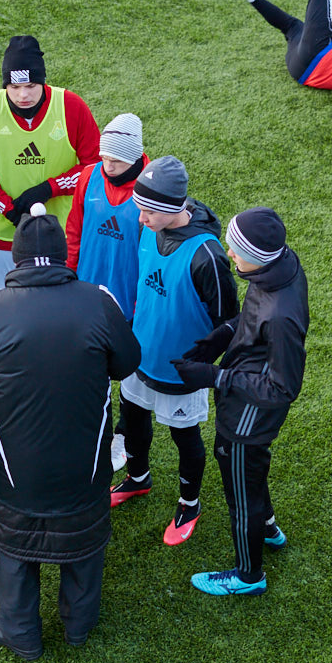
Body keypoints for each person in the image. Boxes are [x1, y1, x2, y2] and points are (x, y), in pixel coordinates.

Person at [0, 206, 141, 660]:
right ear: (63, 256)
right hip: (85, 464)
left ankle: (21, 633)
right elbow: (127, 362)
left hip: (15, 468)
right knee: (83, 546)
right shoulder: (98, 300)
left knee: (16, 552)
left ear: (18, 260)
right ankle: (78, 627)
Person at [171, 207, 309, 596]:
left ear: (258, 255)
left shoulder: (281, 315)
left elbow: (283, 388)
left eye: (236, 250)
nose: (230, 255)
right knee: (244, 469)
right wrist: (224, 334)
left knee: (239, 483)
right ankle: (267, 526)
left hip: (250, 415)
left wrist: (216, 377)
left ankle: (249, 576)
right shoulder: (278, 266)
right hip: (243, 394)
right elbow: (252, 319)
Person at [109, 156, 238, 546]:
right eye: (139, 207)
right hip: (139, 356)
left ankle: (189, 503)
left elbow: (230, 322)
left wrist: (200, 364)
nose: (141, 218)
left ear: (170, 210)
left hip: (182, 371)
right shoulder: (149, 228)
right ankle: (138, 478)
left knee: (185, 439)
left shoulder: (208, 256)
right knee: (132, 420)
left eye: (148, 211)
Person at [0, 35, 100, 294]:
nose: (23, 95)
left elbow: (93, 165)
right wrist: (10, 209)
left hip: (61, 233)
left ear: (43, 81)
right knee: (2, 303)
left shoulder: (71, 107)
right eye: (14, 87)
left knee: (61, 302)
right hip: (5, 234)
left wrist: (49, 189)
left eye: (30, 85)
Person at [65, 112, 149, 471]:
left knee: (131, 384)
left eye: (116, 159)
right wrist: (67, 277)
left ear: (134, 157)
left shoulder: (150, 190)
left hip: (130, 307)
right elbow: (74, 230)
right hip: (86, 299)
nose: (108, 166)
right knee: (87, 371)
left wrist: (144, 304)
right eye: (104, 158)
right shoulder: (89, 178)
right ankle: (90, 429)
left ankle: (121, 435)